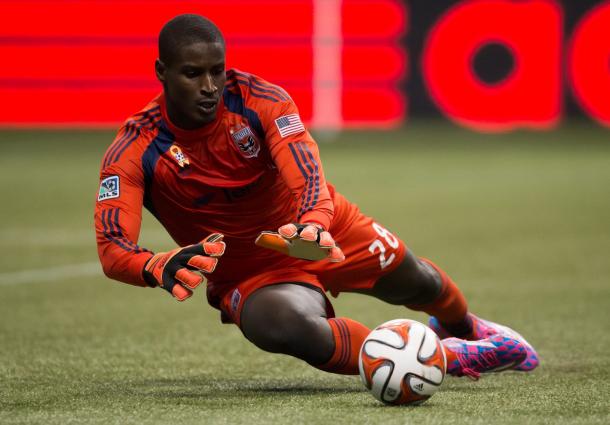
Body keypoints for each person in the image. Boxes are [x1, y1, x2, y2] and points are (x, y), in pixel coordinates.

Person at [94, 14, 538, 380]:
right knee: (284, 327)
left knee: (417, 280)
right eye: (193, 74)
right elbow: (113, 250)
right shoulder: (135, 150)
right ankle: (447, 359)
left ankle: (468, 329)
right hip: (253, 275)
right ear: (161, 73)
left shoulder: (260, 102)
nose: (210, 86)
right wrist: (153, 266)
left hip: (322, 228)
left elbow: (304, 168)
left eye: (217, 70)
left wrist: (312, 223)